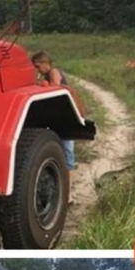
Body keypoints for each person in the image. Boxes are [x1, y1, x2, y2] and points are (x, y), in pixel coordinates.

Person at [31, 51, 76, 182]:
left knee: (67, 150)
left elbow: (56, 88)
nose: (36, 69)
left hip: (64, 115)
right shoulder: (47, 74)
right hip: (61, 114)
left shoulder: (53, 72)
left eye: (38, 66)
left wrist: (44, 85)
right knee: (65, 148)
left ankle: (68, 190)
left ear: (45, 63)